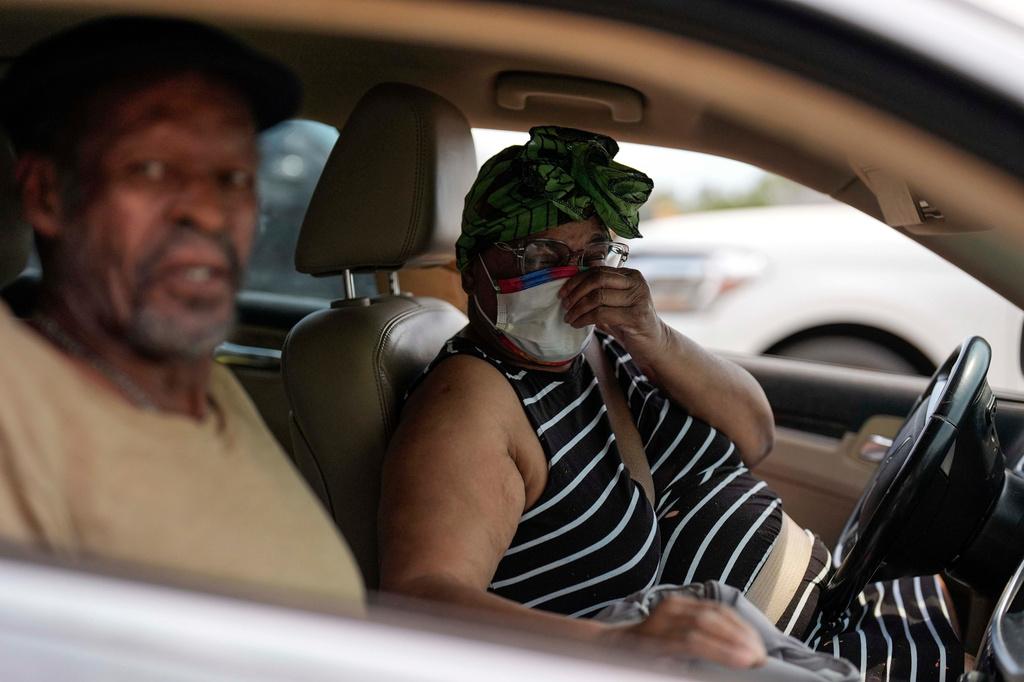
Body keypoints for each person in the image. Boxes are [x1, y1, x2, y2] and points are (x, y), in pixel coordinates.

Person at [379, 126, 963, 678]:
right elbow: (422, 597)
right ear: (470, 268)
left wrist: (652, 335)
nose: (573, 280)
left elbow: (755, 436)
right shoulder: (469, 399)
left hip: (831, 621)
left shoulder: (609, 337)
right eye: (540, 254)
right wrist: (617, 644)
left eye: (594, 254)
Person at [0, 16, 363, 606]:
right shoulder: (16, 406)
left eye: (234, 177)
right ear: (45, 194)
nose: (212, 214)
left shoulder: (207, 388)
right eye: (150, 169)